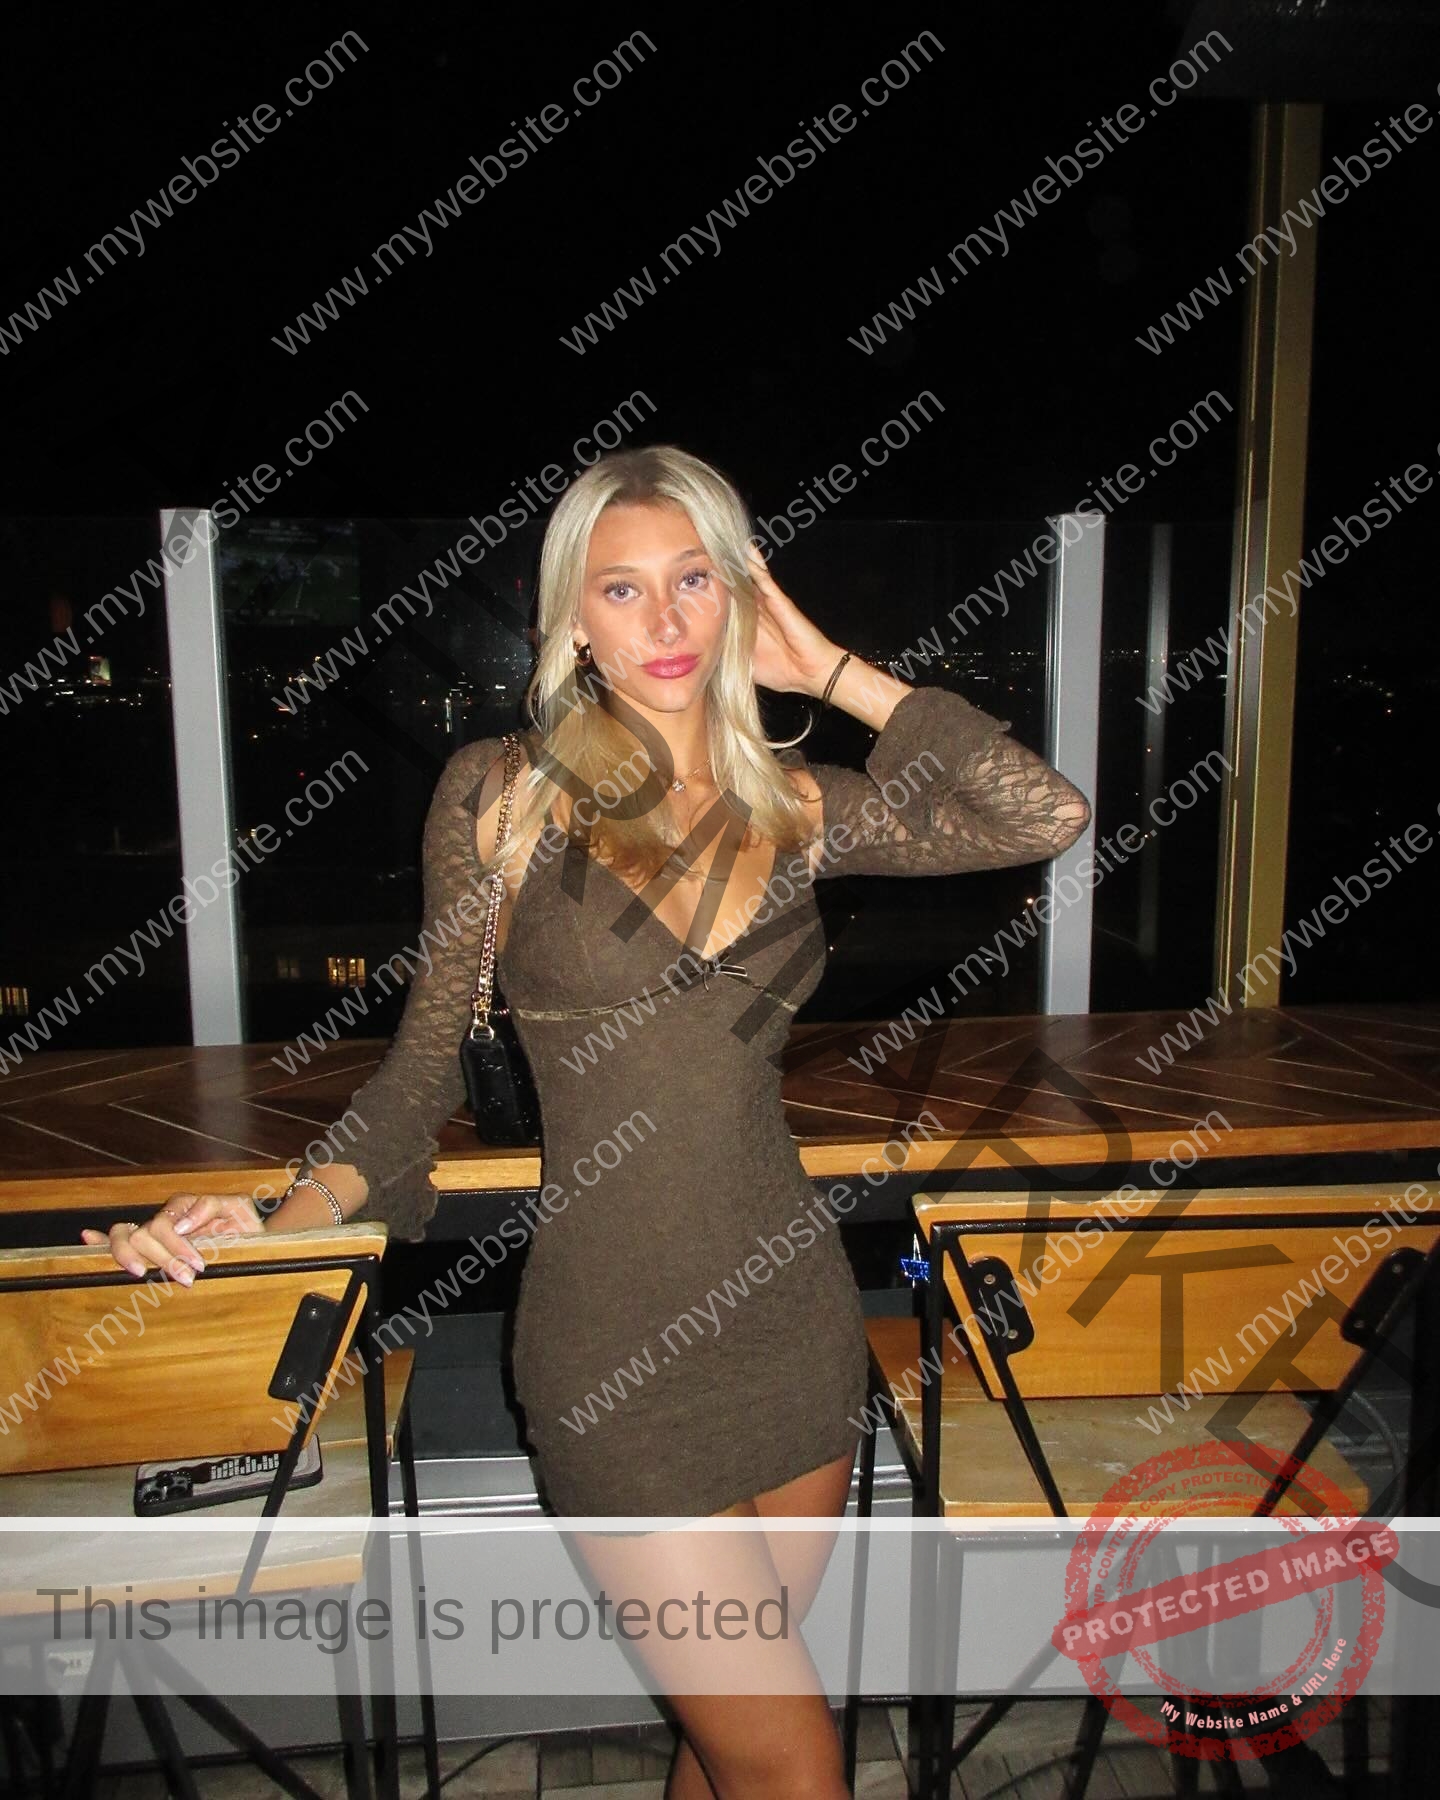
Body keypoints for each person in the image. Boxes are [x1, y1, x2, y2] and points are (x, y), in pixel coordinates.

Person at [85, 444, 1090, 1797]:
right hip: (614, 1357)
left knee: (733, 1749)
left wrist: (832, 670)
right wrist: (272, 1217)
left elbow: (1043, 814)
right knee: (798, 1768)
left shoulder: (800, 807)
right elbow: (415, 1083)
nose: (664, 620)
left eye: (695, 580)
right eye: (622, 589)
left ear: (741, 596)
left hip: (794, 1328)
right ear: (571, 619)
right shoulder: (503, 796)